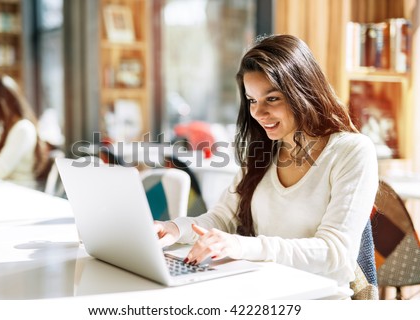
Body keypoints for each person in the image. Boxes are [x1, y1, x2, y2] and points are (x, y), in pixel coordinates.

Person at [155, 34, 379, 297]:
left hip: (318, 299)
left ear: (303, 91)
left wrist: (241, 246)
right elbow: (222, 219)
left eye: (271, 99)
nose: (258, 113)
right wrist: (173, 228)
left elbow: (336, 255)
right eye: (252, 100)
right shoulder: (264, 151)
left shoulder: (351, 151)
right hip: (262, 292)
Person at [0, 75, 47, 188]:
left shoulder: (23, 129)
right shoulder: (6, 129)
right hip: (6, 189)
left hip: (20, 194)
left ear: (1, 102)